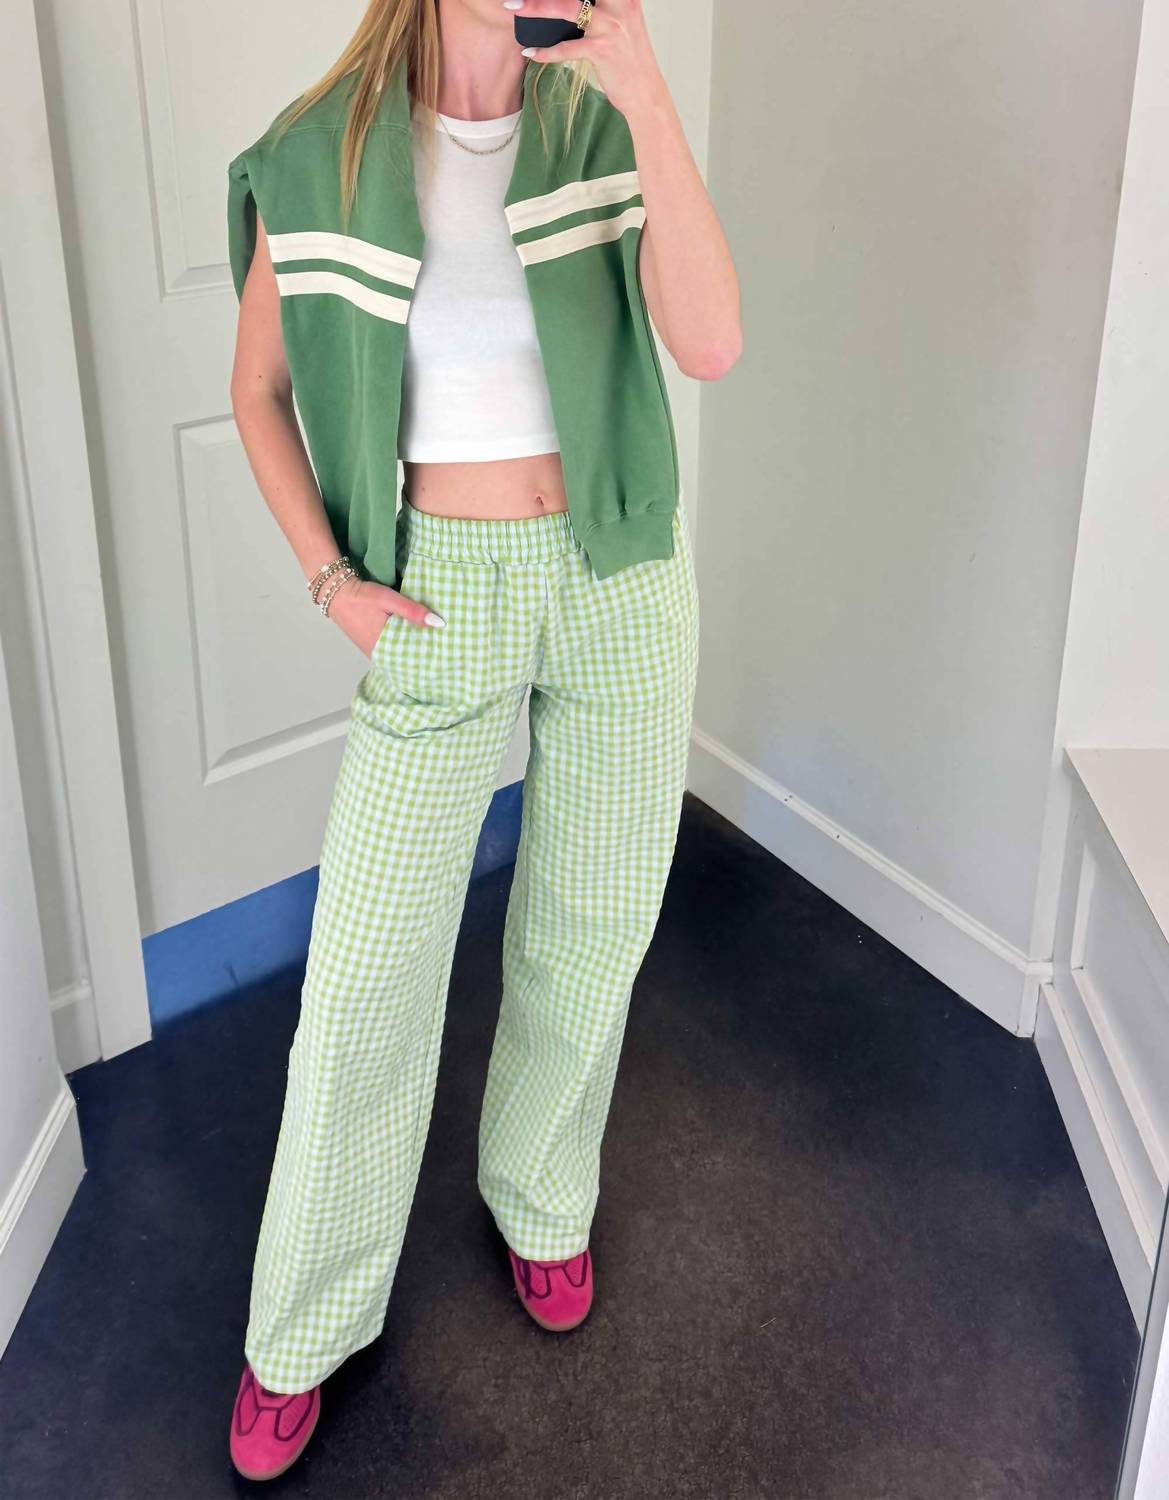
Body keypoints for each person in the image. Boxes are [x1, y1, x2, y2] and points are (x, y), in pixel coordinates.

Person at [224, 0, 740, 1479]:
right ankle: (301, 1326)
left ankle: (541, 1196)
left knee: (590, 921)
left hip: (621, 573)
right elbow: (257, 390)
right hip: (439, 590)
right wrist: (332, 582)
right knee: (365, 976)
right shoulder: (322, 151)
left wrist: (645, 87)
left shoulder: (602, 125)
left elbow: (709, 344)